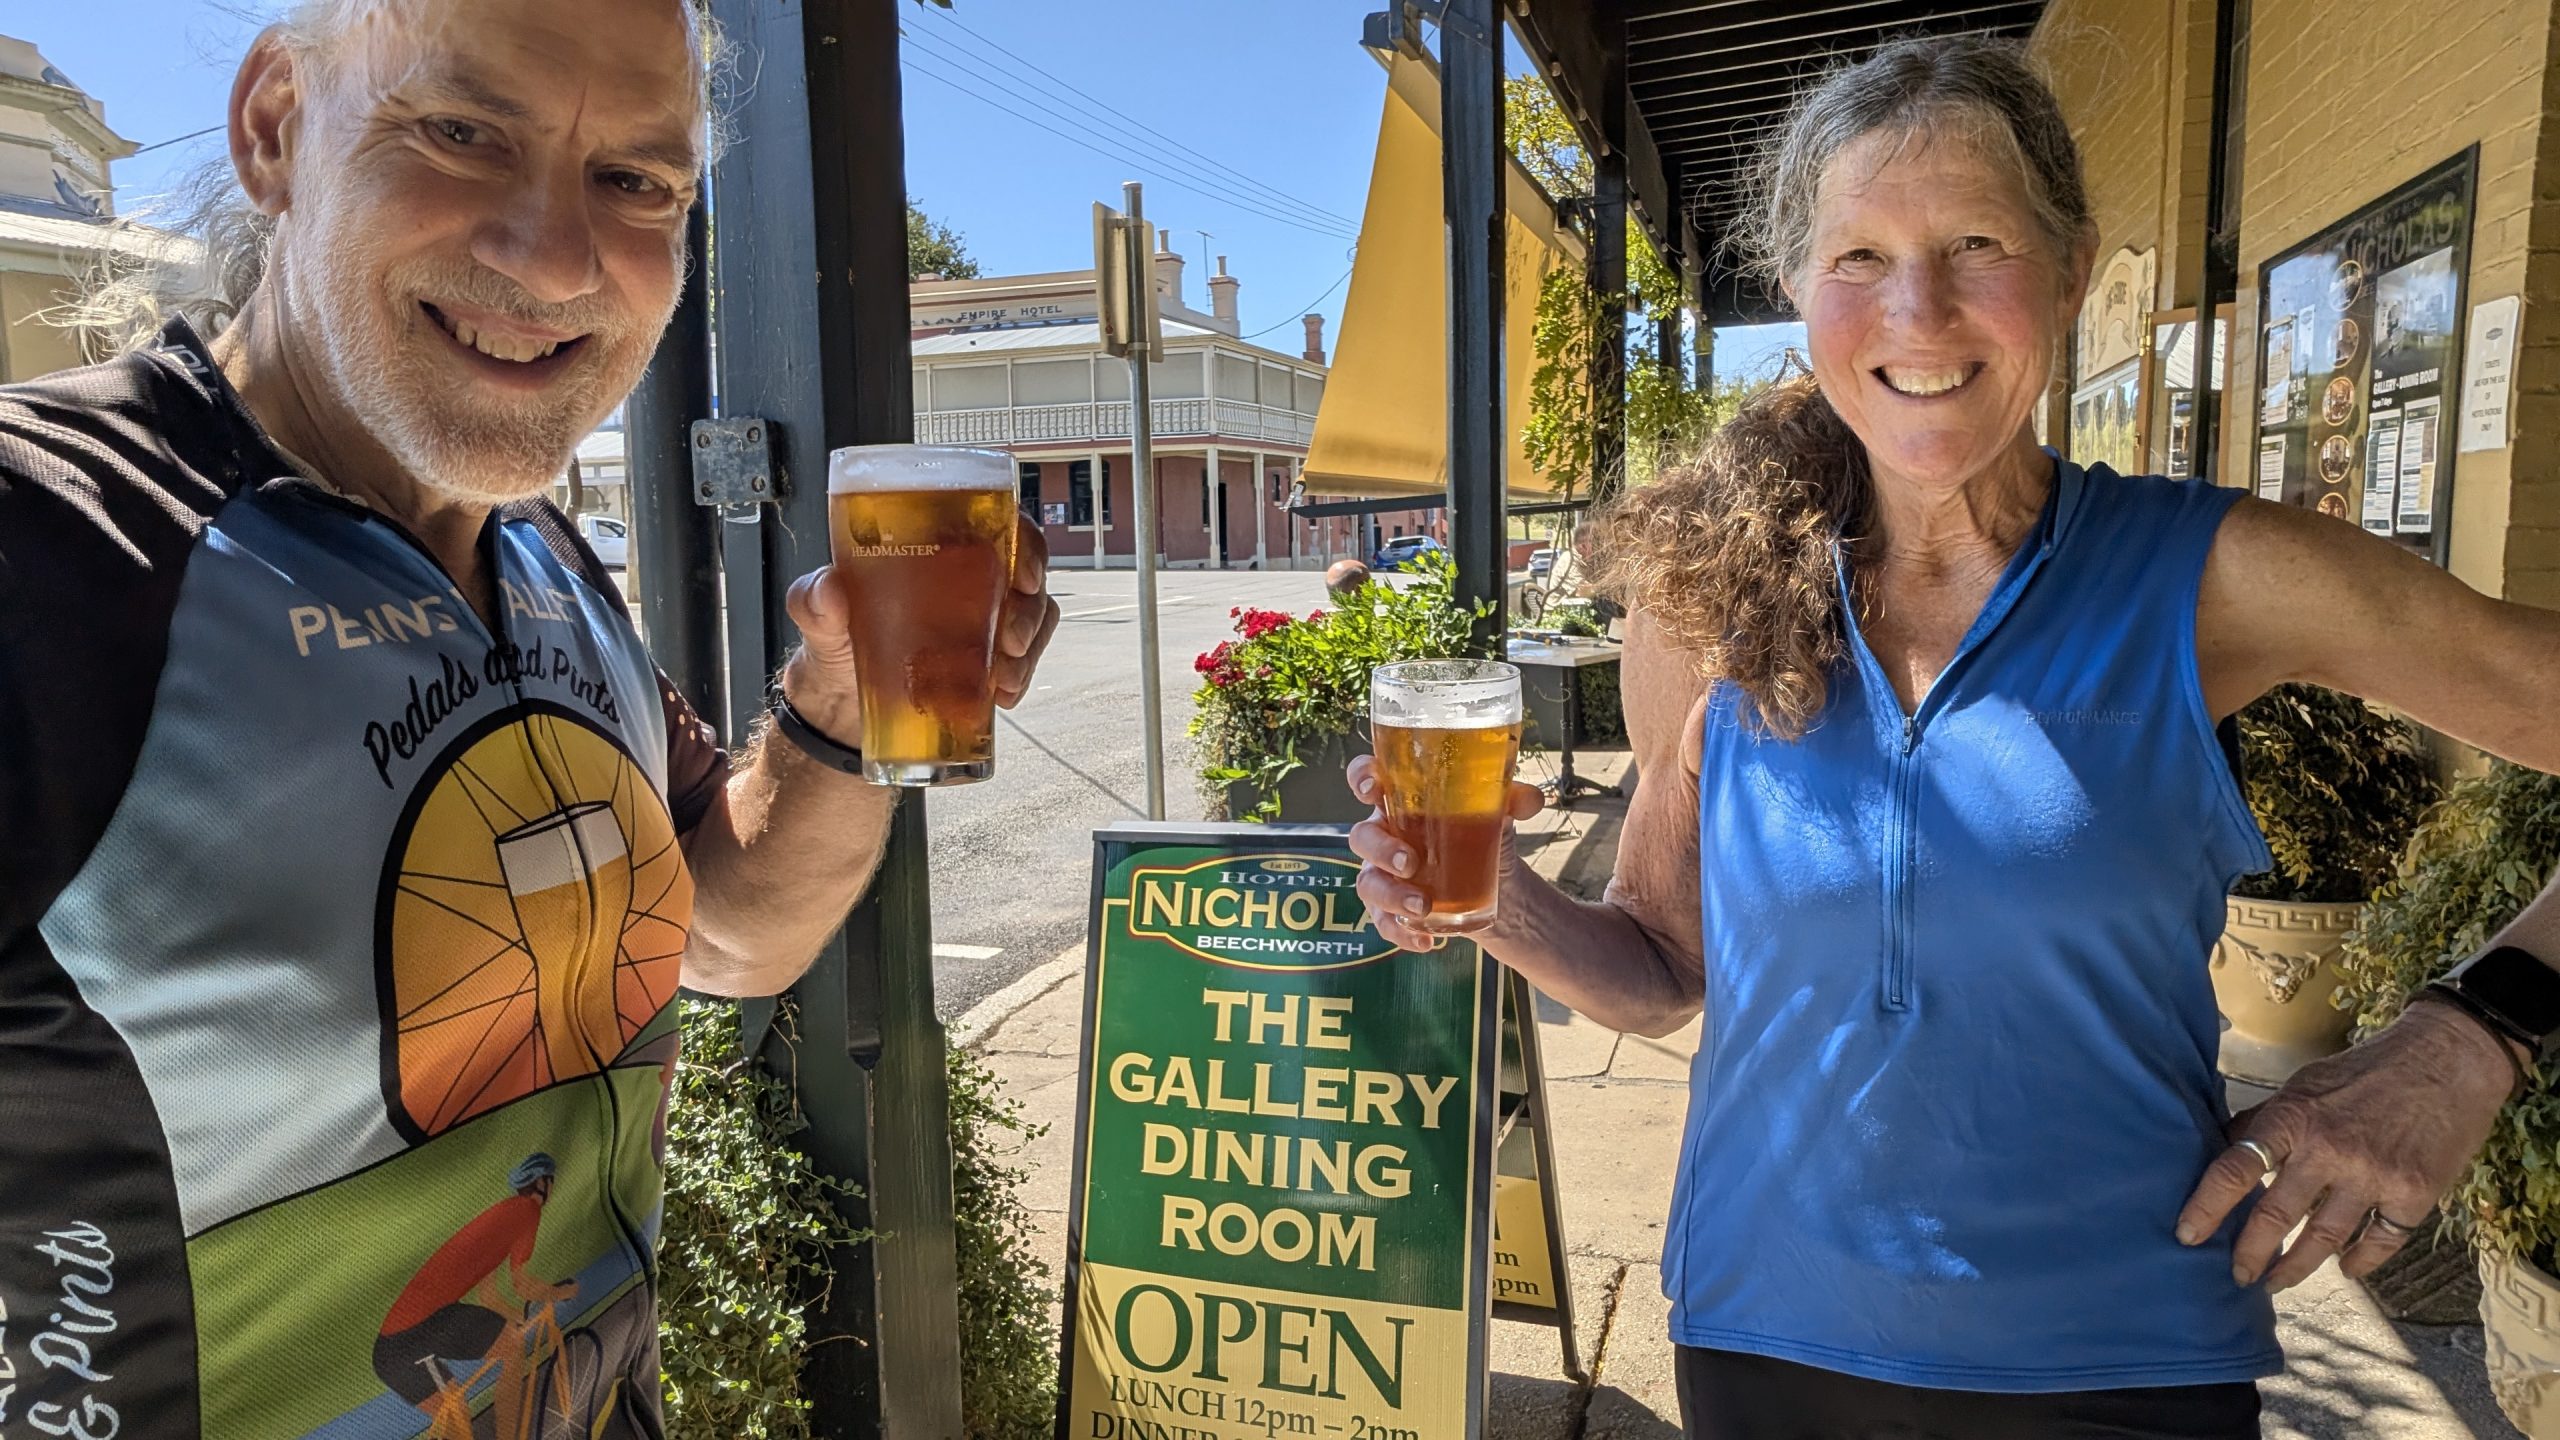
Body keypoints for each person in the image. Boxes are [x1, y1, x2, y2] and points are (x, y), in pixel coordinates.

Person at [1349, 36, 2560, 1440]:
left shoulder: (2211, 578)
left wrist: (2474, 1034)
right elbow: (1666, 970)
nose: (1915, 310)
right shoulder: (1708, 605)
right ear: (1799, 286)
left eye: (1976, 244)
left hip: (2120, 1374)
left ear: (2072, 270)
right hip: (1760, 1350)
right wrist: (1494, 899)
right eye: (1859, 255)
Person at [0, 1, 1057, 1432]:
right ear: (275, 128)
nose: (558, 259)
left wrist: (841, 709)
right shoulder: (48, 542)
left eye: (636, 181)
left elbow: (727, 934)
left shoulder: (540, 555)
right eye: (460, 132)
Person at [373, 1154, 575, 1412]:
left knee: (457, 1417)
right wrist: (565, 1291)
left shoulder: (502, 1215)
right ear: (542, 1182)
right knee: (513, 1347)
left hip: (393, 1346)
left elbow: (487, 1295)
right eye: (552, 1180)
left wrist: (518, 1318)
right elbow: (522, 1285)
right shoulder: (527, 1210)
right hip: (423, 1326)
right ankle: (509, 1429)